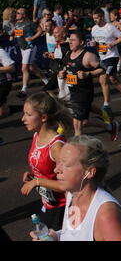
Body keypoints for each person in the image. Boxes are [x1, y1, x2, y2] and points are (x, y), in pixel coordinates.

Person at [31, 135, 121, 241]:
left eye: (66, 164)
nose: (56, 169)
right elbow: (73, 234)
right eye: (59, 162)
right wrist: (54, 237)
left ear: (89, 172)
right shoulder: (72, 195)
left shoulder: (105, 214)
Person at [21, 92, 72, 231]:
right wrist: (33, 176)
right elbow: (46, 170)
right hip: (48, 203)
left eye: (28, 114)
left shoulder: (56, 147)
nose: (23, 119)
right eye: (24, 113)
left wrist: (37, 182)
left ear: (43, 117)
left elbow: (68, 184)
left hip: (62, 208)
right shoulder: (36, 136)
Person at [60, 32, 119, 139]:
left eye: (73, 40)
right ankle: (110, 126)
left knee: (77, 126)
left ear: (81, 42)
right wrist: (63, 73)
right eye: (70, 40)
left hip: (84, 94)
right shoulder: (69, 54)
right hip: (73, 92)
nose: (70, 42)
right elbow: (67, 68)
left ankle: (78, 152)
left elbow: (104, 68)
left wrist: (88, 74)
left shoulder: (88, 56)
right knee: (85, 123)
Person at [90, 9, 121, 117]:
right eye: (94, 18)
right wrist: (93, 43)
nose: (95, 20)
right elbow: (95, 42)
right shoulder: (94, 29)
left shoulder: (110, 27)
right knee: (113, 79)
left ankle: (106, 106)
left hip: (112, 56)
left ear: (102, 17)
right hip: (102, 56)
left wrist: (113, 43)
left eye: (97, 18)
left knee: (103, 78)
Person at [13, 8, 48, 99]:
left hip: (30, 47)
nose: (16, 14)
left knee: (24, 68)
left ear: (23, 15)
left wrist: (32, 38)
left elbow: (40, 30)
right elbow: (18, 34)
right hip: (22, 48)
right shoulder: (17, 24)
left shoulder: (29, 23)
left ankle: (24, 90)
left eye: (18, 13)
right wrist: (13, 36)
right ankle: (47, 82)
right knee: (32, 67)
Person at [0, 47, 15, 117]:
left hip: (4, 82)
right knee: (2, 113)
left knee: (3, 113)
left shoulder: (1, 51)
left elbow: (12, 68)